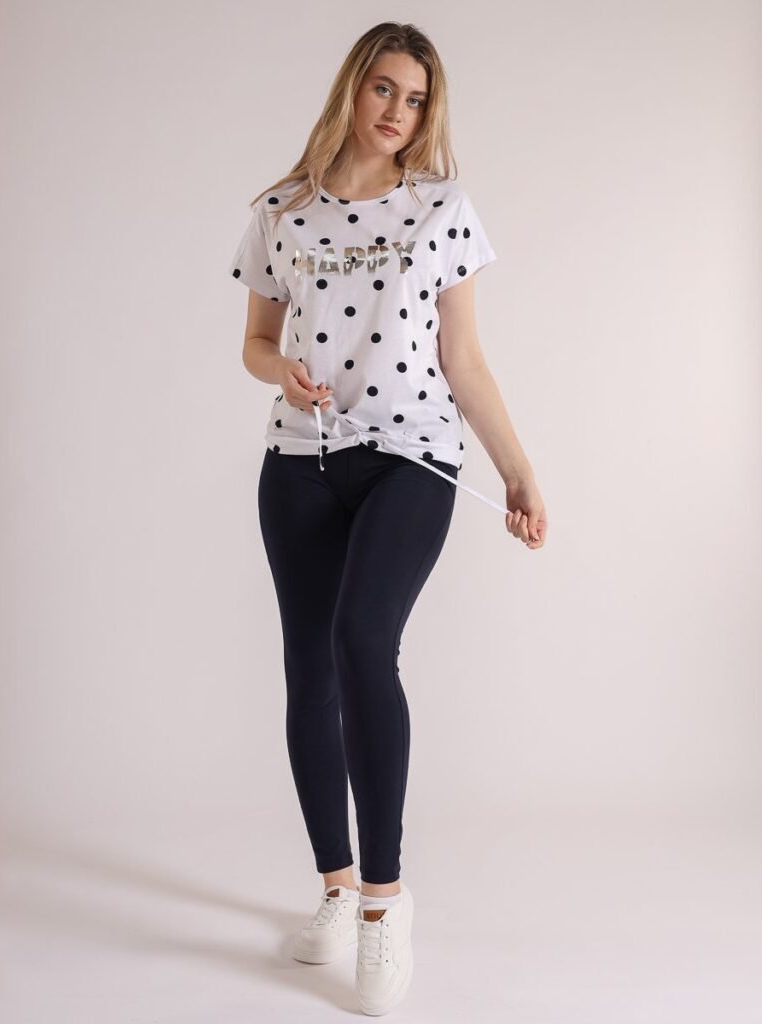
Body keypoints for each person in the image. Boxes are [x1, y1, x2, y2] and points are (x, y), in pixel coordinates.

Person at [229, 21, 548, 1015]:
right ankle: (333, 887)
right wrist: (278, 370)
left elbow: (465, 359)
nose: (397, 112)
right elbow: (255, 340)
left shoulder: (440, 208)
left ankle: (383, 901)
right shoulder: (279, 210)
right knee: (308, 669)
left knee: (364, 641)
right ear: (352, 89)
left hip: (412, 455)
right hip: (300, 463)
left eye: (415, 100)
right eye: (384, 89)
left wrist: (518, 472)